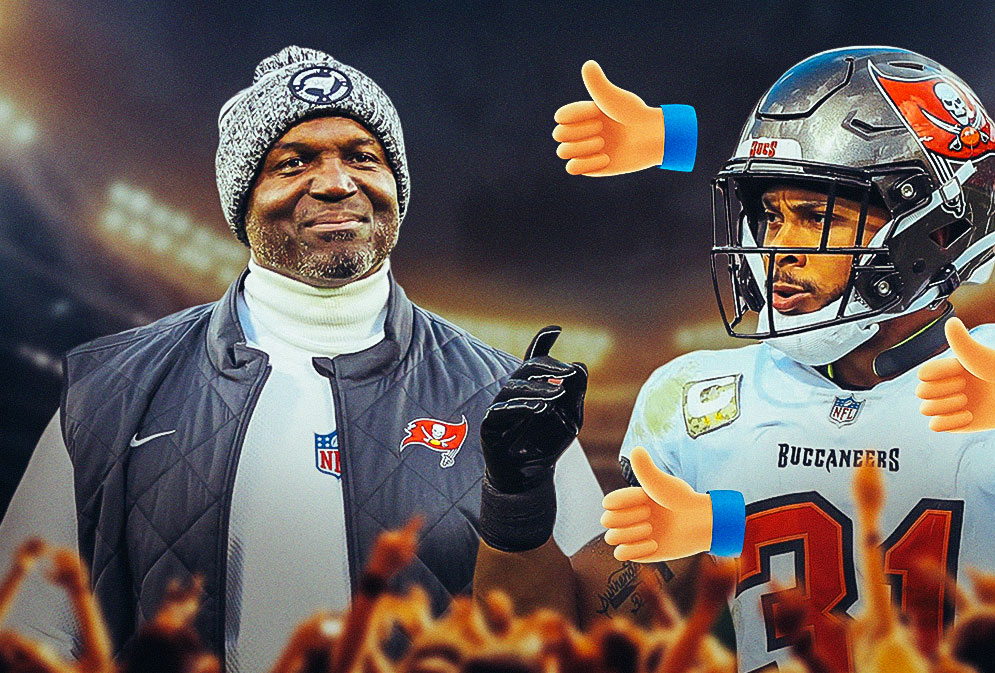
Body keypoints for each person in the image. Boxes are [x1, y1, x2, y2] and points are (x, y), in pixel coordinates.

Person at [475, 47, 995, 673]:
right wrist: (516, 497)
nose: (778, 245)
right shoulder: (697, 398)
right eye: (771, 214)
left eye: (817, 214)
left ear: (938, 226)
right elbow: (551, 641)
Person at [0, 46, 603, 671]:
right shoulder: (111, 389)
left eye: (363, 157)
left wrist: (523, 501)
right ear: (243, 197)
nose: (338, 182)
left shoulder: (508, 394)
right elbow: (27, 629)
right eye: (293, 161)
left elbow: (601, 624)